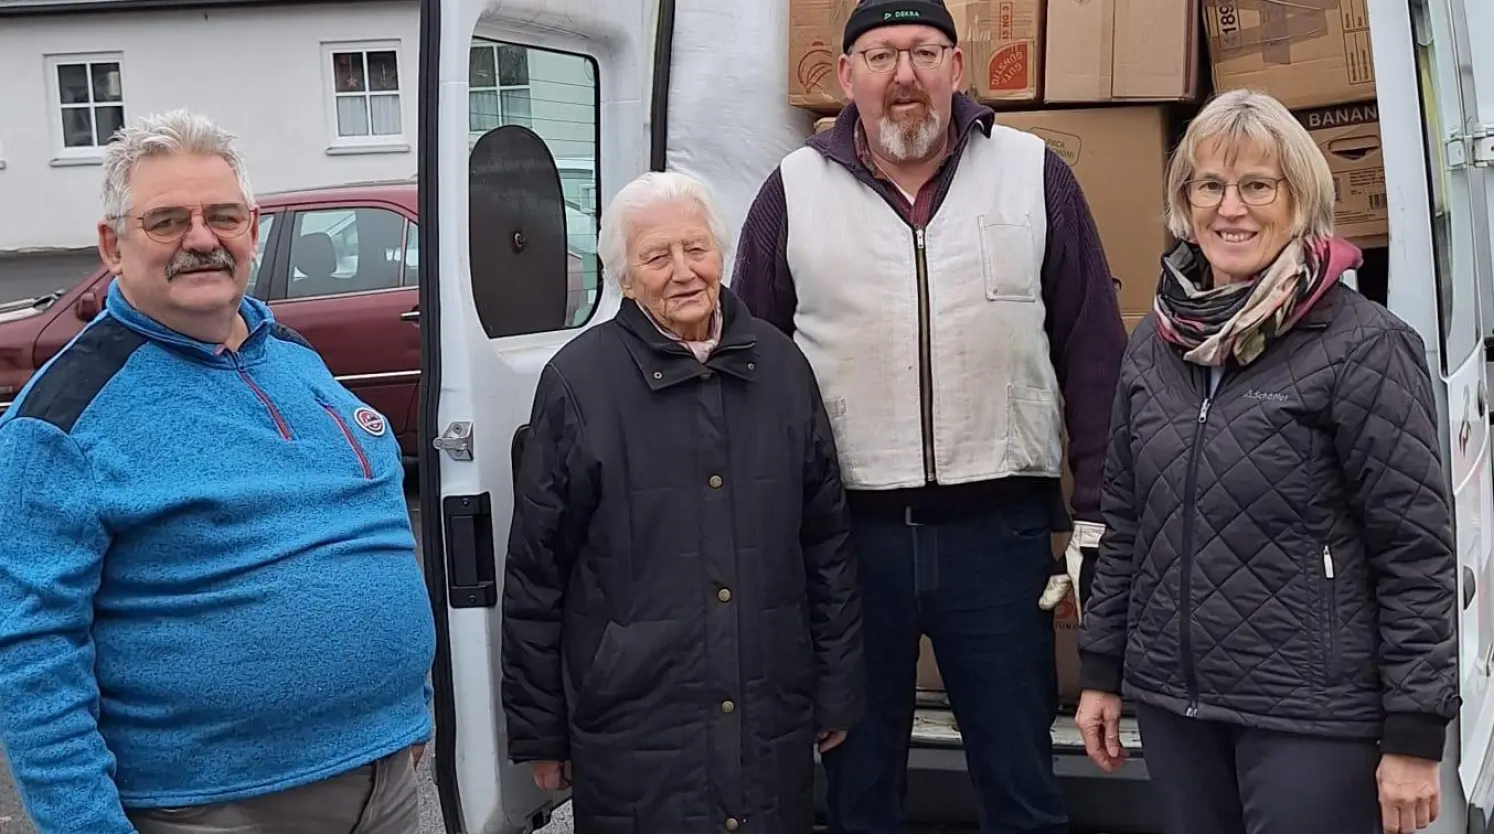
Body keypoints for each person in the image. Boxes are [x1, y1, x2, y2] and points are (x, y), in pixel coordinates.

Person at [732, 0, 1126, 834]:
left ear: (956, 66)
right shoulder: (791, 192)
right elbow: (749, 377)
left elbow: (1095, 356)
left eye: (921, 53)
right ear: (846, 74)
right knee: (860, 786)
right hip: (847, 542)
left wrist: (1097, 517)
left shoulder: (1033, 174)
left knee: (1020, 780)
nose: (902, 74)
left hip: (1000, 536)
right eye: (880, 56)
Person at [0, 109, 435, 834]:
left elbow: (370, 532)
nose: (202, 239)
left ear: (253, 229)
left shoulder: (296, 359)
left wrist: (405, 705)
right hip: (216, 808)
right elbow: (32, 652)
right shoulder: (62, 420)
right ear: (113, 245)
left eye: (222, 216)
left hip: (385, 780)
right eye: (167, 220)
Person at [1074, 88, 1460, 834]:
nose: (1231, 208)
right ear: (1184, 202)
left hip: (1309, 715)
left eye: (1257, 185)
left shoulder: (1363, 346)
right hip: (1175, 706)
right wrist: (1102, 670)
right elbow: (1124, 525)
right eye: (1210, 185)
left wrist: (1415, 732)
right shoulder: (1154, 346)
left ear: (1299, 198)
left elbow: (1416, 552)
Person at [500, 170, 865, 834]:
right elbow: (536, 571)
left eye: (696, 249)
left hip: (768, 713)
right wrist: (539, 729)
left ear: (721, 253)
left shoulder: (782, 369)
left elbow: (827, 544)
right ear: (624, 275)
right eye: (657, 256)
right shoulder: (578, 384)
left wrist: (836, 688)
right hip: (634, 723)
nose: (683, 272)